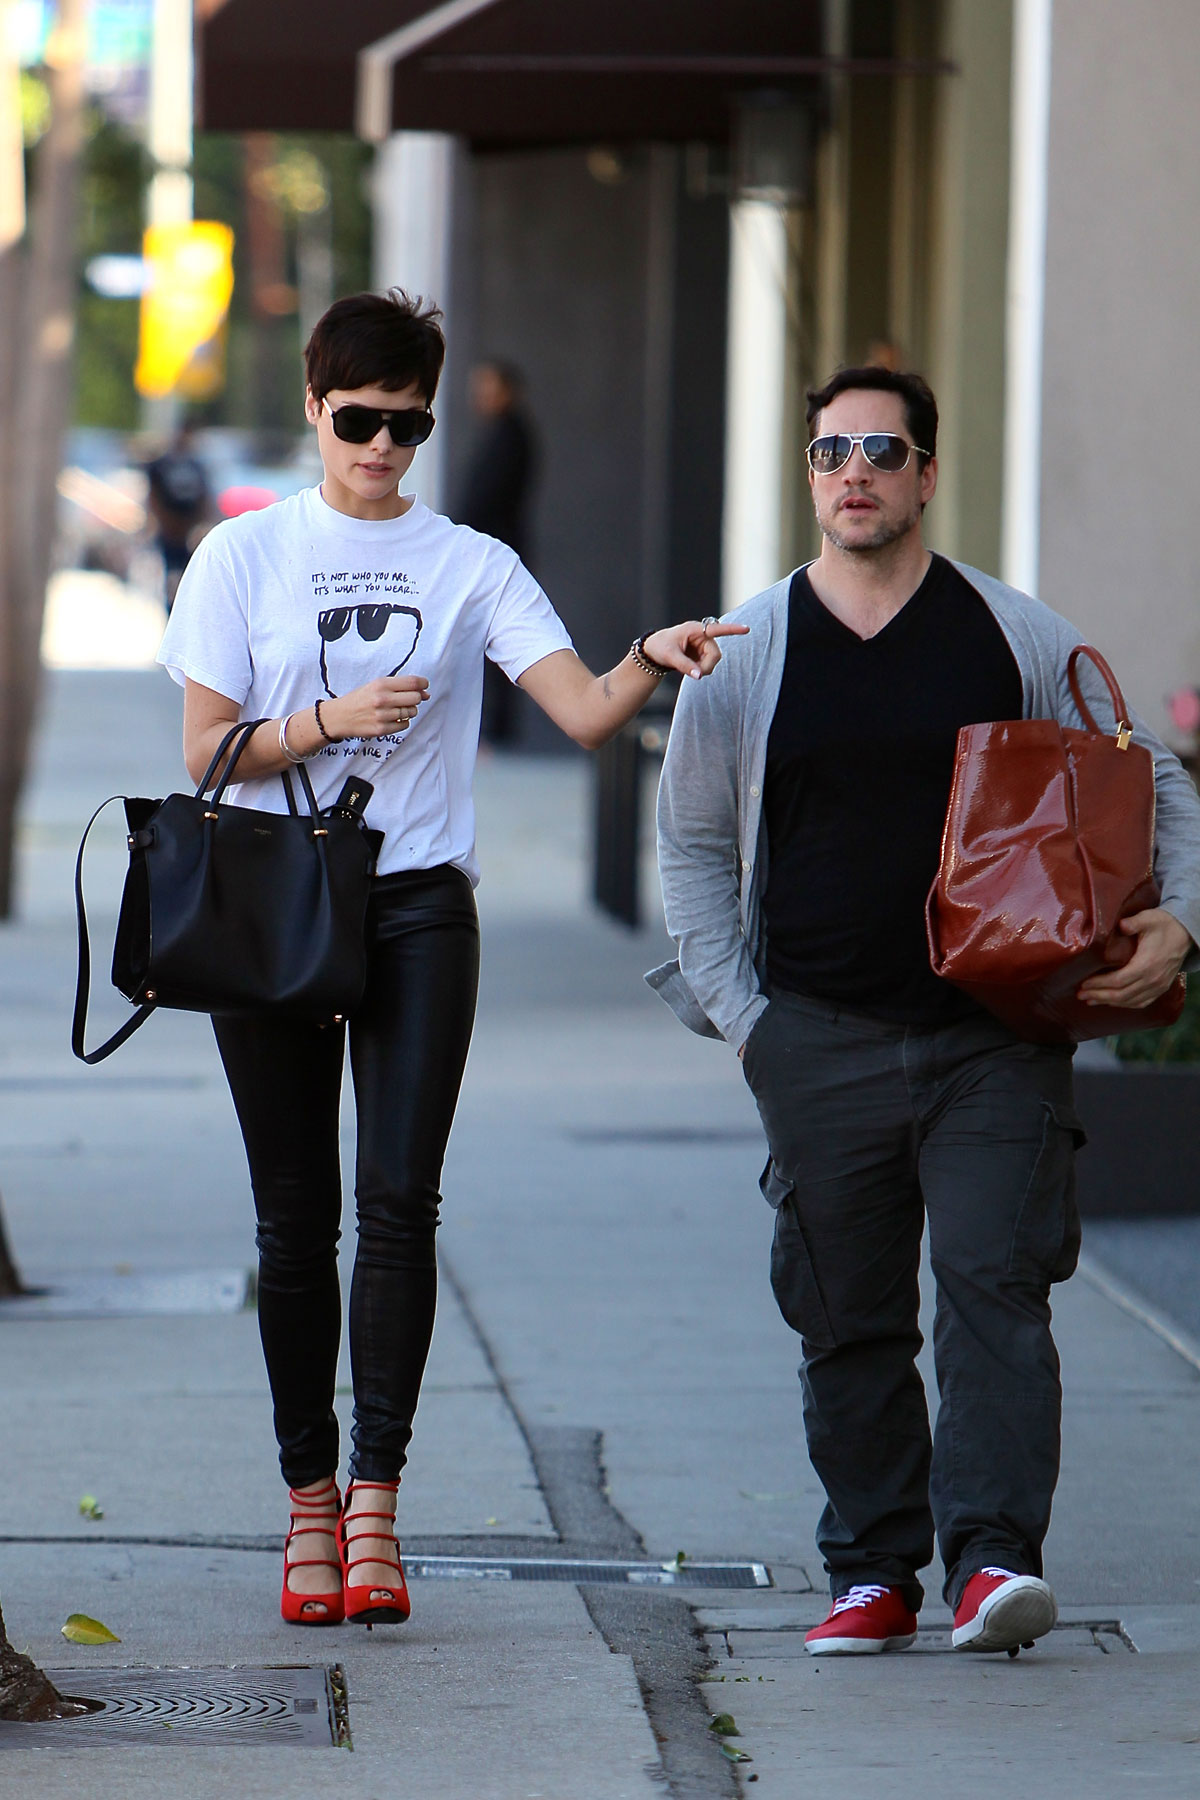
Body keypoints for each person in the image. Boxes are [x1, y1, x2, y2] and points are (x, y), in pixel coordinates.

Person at [156, 289, 743, 1629]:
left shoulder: (470, 561)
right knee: (292, 1217)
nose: (380, 448)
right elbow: (202, 757)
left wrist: (651, 653)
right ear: (315, 407)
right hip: (275, 902)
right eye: (358, 420)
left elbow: (585, 712)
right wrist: (329, 719)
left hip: (419, 904)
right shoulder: (241, 562)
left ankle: (376, 1505)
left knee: (400, 1204)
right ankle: (306, 1503)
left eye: (405, 426)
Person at [650, 365, 1200, 1656]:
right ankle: (874, 1568)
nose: (857, 472)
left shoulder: (1012, 635)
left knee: (994, 1285)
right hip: (816, 1034)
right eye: (833, 450)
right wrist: (751, 1020)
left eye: (883, 452)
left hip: (992, 1038)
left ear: (927, 476)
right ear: (810, 475)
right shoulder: (749, 648)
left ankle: (992, 1564)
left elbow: (1151, 776)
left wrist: (1184, 919)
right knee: (845, 1312)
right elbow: (690, 846)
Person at [451, 359, 537, 746]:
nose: (480, 395)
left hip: (497, 549)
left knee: (497, 640)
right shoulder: (499, 433)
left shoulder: (512, 436)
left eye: (488, 386)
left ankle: (496, 734)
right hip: (489, 545)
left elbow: (486, 498)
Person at [144, 423, 211, 610]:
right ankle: (170, 609)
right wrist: (163, 521)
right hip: (168, 529)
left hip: (188, 529)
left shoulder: (196, 466)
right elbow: (154, 495)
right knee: (170, 575)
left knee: (189, 573)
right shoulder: (162, 465)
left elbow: (203, 497)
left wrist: (198, 523)